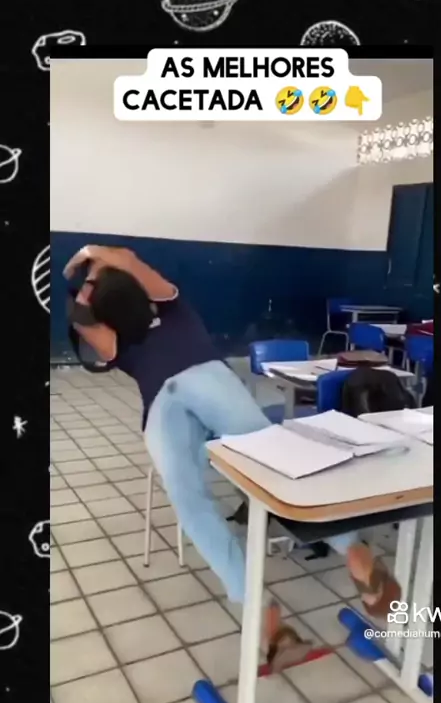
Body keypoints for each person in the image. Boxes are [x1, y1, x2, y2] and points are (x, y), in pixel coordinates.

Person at [63, 245, 401, 668]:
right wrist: (94, 258)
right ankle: (351, 558)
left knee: (197, 505)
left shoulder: (139, 322)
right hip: (199, 387)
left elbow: (88, 309)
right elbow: (117, 273)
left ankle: (268, 617)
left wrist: (86, 273)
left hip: (169, 404)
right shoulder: (163, 309)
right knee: (272, 469)